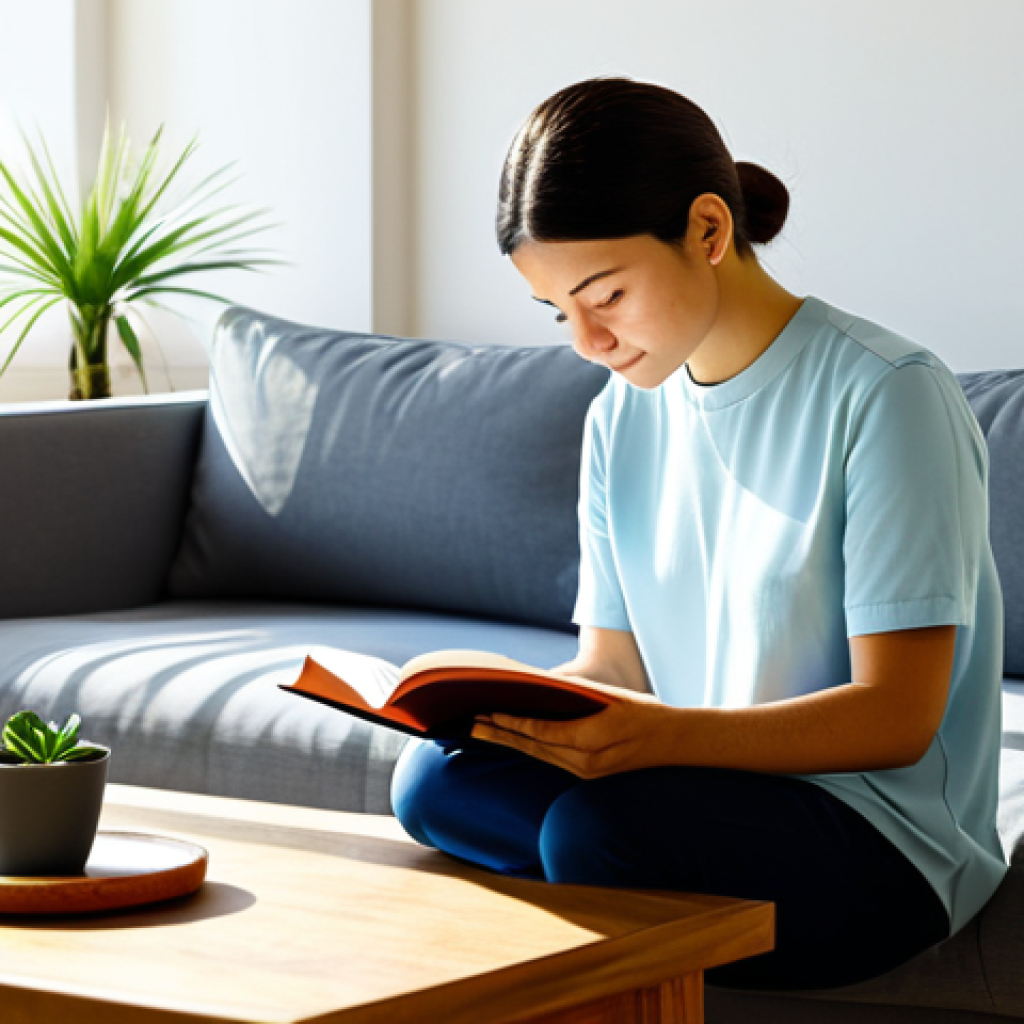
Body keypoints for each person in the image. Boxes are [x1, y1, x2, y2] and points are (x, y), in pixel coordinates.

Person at [390, 77, 1007, 990]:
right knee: (437, 782)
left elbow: (897, 718)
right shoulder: (621, 416)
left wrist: (660, 738)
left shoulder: (888, 393)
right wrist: (519, 714)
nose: (587, 341)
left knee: (598, 833)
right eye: (561, 311)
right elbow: (613, 669)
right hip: (695, 789)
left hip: (877, 839)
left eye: (606, 295)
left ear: (709, 232)